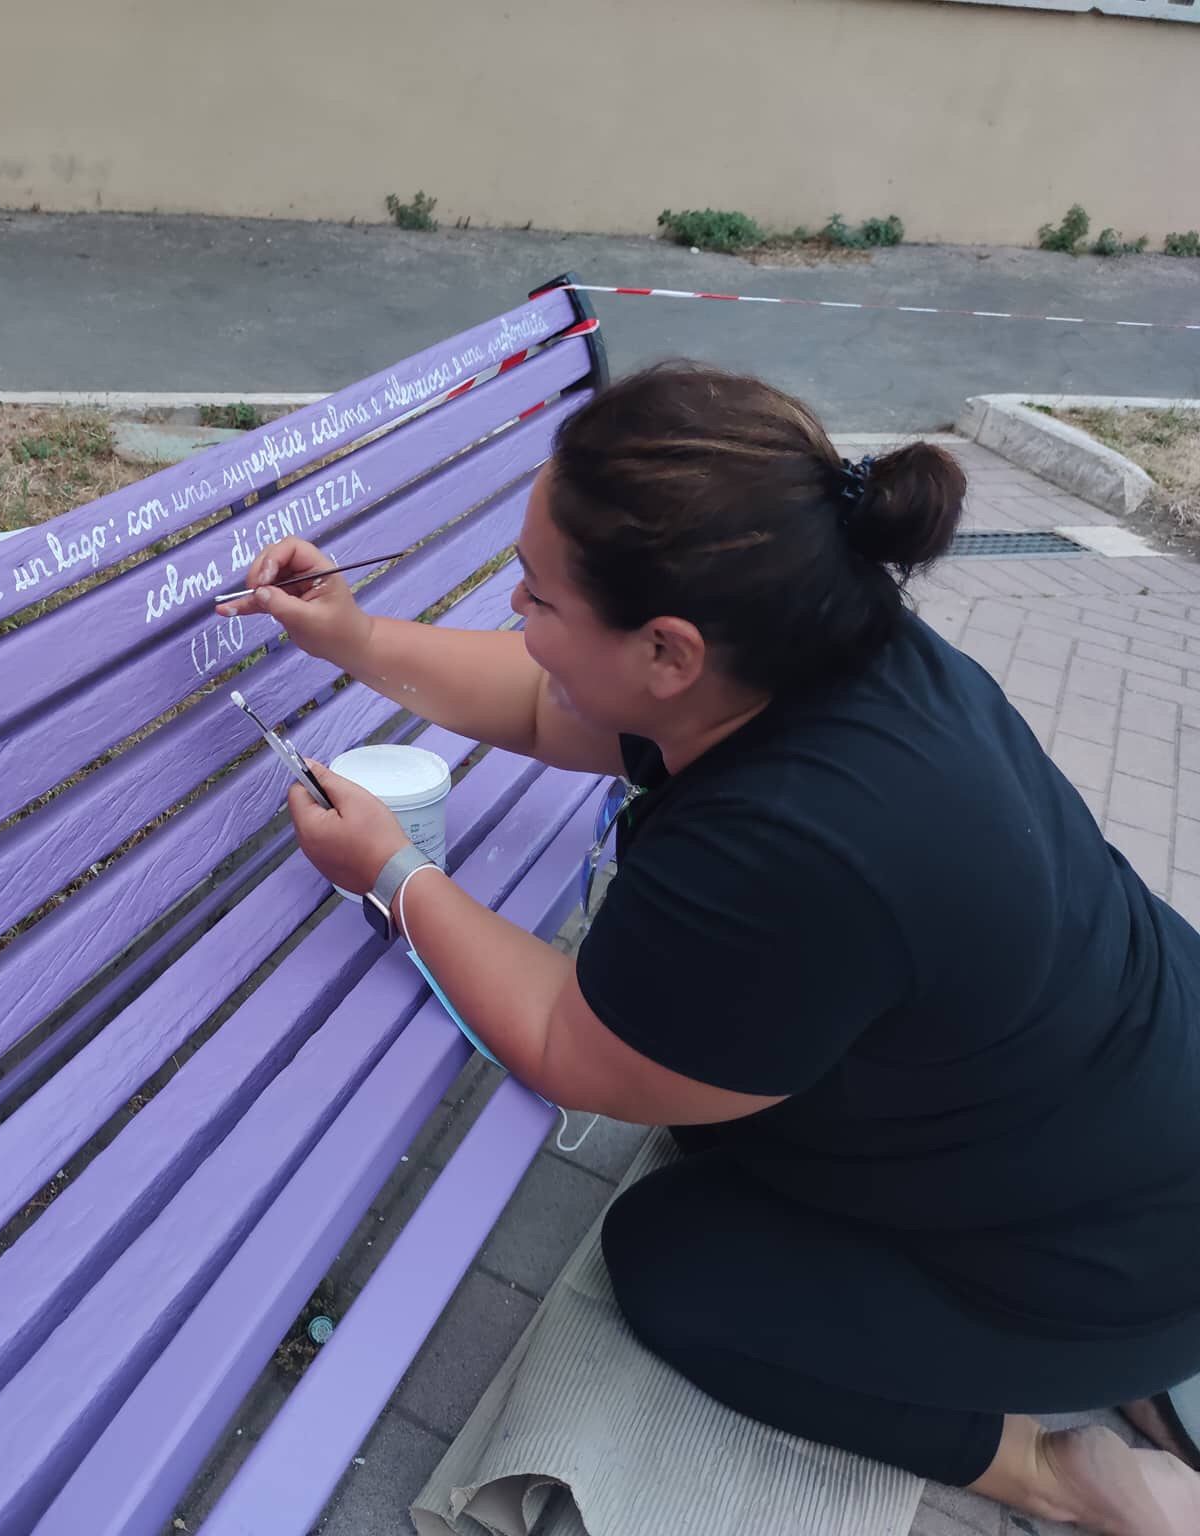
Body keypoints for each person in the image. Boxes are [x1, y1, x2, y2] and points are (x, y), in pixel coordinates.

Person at [217, 364, 1200, 1536]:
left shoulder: (785, 851)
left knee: (677, 1262)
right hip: (1131, 1117)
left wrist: (393, 874)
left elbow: (564, 1046)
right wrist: (354, 637)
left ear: (668, 651)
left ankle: (1056, 1471)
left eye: (532, 598)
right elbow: (550, 707)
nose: (516, 620)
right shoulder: (810, 646)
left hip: (1095, 1265)